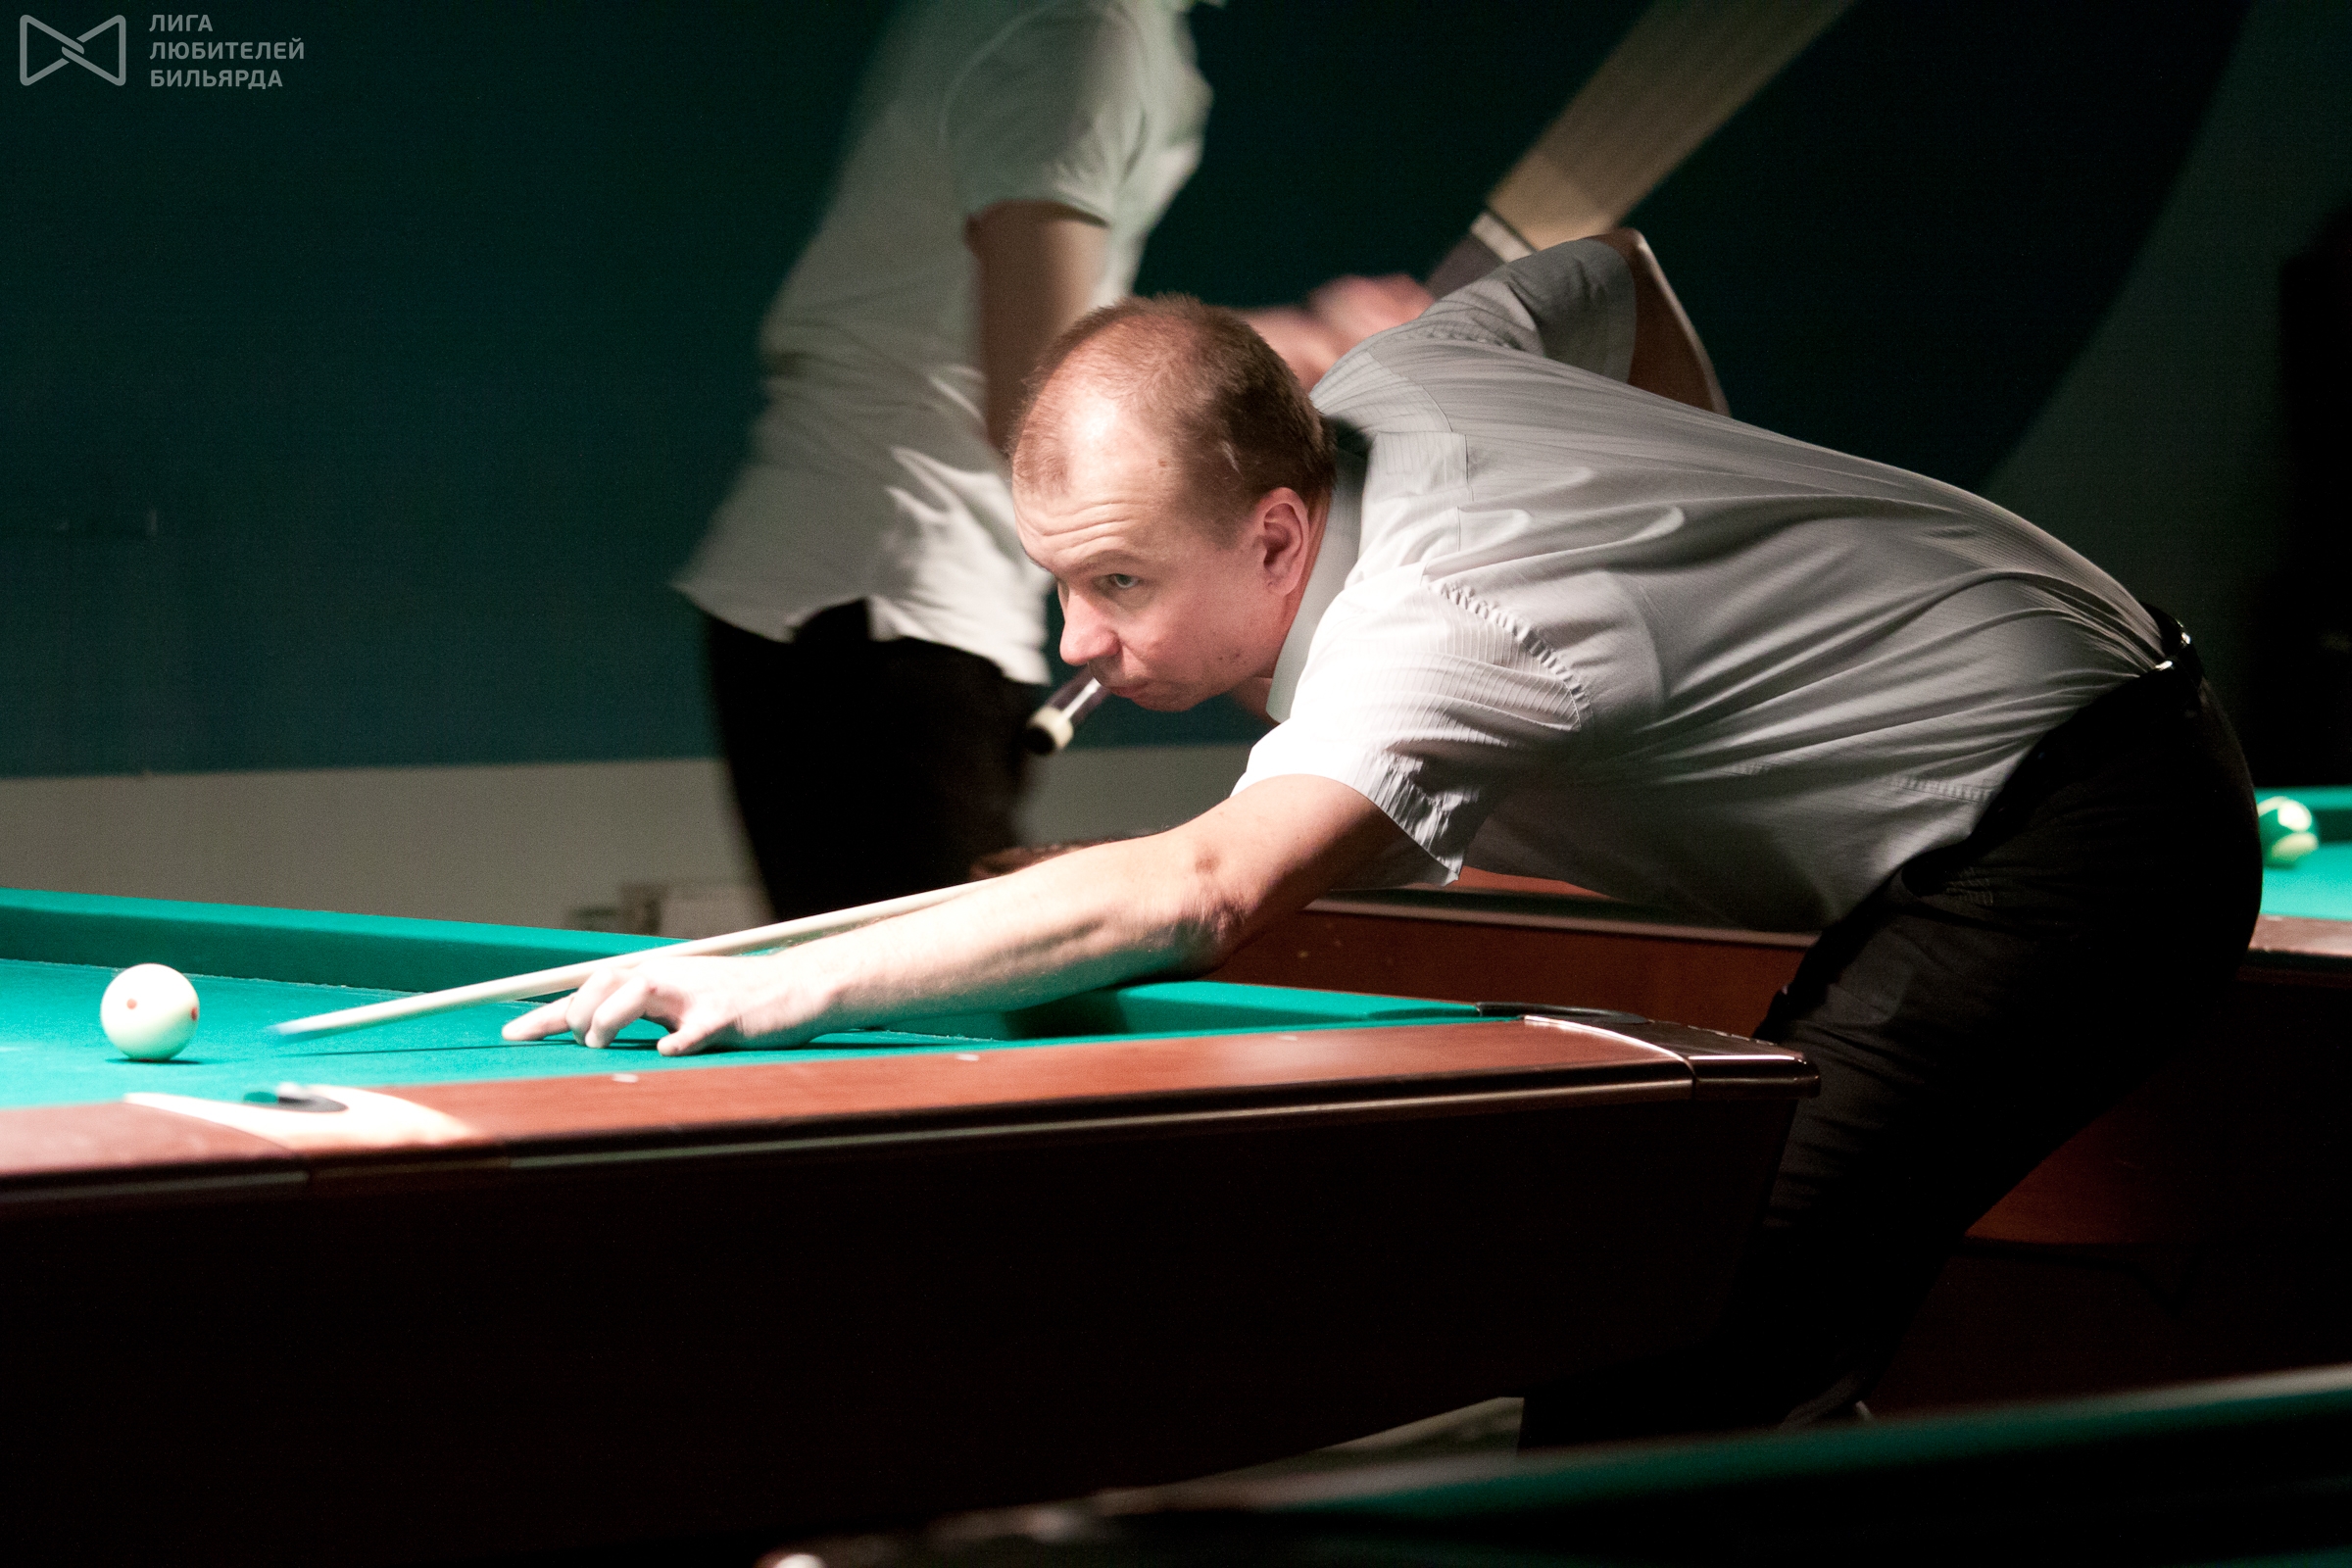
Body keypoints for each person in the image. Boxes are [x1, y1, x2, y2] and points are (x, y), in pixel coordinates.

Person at [521, 231, 2259, 1439]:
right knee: (1699, 1313)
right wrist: (1682, 518)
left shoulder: (1439, 623)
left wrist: (789, 977)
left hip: (2090, 831)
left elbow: (1208, 884)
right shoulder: (1403, 369)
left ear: (1281, 535)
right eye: (1061, 584)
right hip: (2070, 739)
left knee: (1697, 1331)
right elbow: (1618, 274)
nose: (1078, 644)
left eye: (1118, 583)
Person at [675, 0, 1213, 919]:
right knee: (937, 1008)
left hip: (875, 615)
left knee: (923, 997)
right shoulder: (1080, 26)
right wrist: (1270, 359)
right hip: (878, 611)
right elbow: (1041, 404)